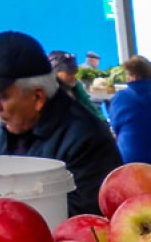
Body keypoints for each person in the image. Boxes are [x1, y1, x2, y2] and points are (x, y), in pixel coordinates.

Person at [0, 31, 121, 215]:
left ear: (38, 97)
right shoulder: (8, 131)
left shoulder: (86, 140)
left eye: (3, 97)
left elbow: (76, 220)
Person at [48, 51, 101, 118]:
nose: (74, 76)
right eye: (69, 73)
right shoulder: (48, 94)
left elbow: (91, 108)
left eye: (75, 72)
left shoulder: (77, 88)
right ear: (55, 73)